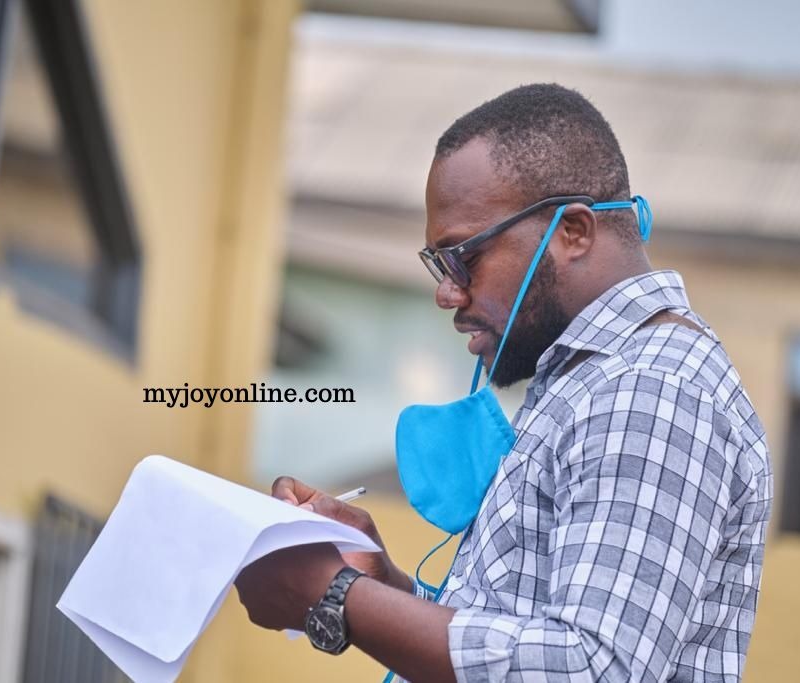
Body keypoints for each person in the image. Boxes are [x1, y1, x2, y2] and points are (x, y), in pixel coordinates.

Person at [234, 83, 772, 682]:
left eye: (463, 257)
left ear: (572, 231)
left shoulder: (651, 390)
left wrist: (336, 597)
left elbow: (587, 669)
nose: (447, 291)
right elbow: (522, 647)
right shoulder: (590, 380)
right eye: (439, 265)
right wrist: (380, 585)